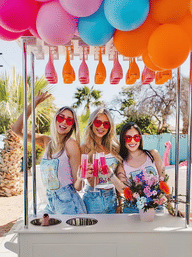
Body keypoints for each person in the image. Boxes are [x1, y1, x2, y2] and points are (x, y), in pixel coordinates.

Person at [12, 90, 86, 215]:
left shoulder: (70, 144)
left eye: (69, 120)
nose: (63, 122)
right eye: (61, 117)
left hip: (68, 204)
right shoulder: (46, 141)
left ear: (72, 126)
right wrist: (33, 104)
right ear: (55, 119)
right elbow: (16, 130)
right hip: (51, 201)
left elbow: (78, 186)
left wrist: (81, 178)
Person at [115, 122, 184, 216]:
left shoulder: (153, 155)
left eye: (136, 137)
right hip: (133, 211)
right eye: (128, 137)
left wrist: (170, 206)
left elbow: (164, 182)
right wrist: (120, 206)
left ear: (140, 138)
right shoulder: (122, 164)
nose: (132, 141)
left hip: (156, 208)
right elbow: (122, 191)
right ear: (123, 139)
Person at [80, 107, 122, 214]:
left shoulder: (114, 147)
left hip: (112, 198)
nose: (101, 126)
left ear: (110, 127)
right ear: (92, 124)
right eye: (98, 122)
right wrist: (92, 174)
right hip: (93, 198)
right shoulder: (85, 148)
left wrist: (120, 203)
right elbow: (92, 183)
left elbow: (118, 177)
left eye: (106, 124)